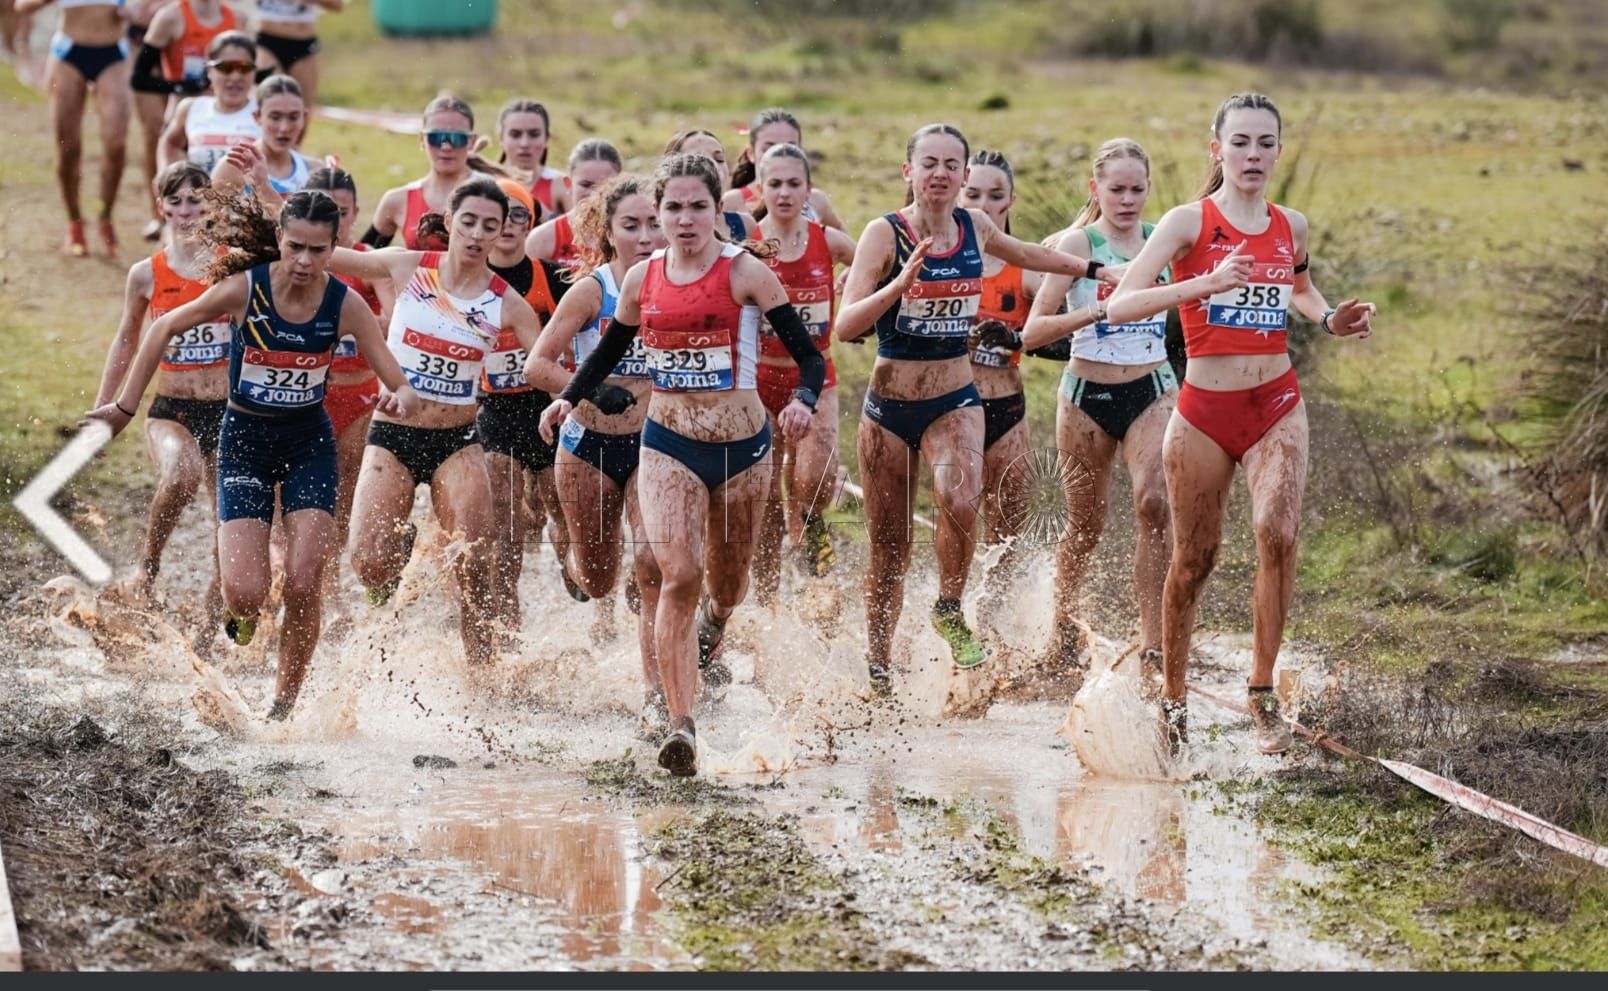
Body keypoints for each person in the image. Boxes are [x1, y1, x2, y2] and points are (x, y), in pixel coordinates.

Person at [1104, 92, 1376, 755]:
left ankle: (1261, 694)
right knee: (1194, 560)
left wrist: (1328, 317)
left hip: (1275, 403)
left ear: (1278, 151)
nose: (1253, 155)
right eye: (1241, 142)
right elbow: (1122, 304)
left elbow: (1299, 288)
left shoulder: (1292, 225)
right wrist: (1204, 284)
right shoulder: (1187, 222)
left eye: (1265, 143)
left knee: (1277, 532)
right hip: (1203, 411)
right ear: (1217, 149)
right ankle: (1173, 700)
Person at [539, 153, 825, 776]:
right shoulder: (643, 278)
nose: (685, 219)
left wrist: (804, 401)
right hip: (667, 443)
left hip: (742, 450)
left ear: (717, 210)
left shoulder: (746, 273)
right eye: (674, 207)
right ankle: (679, 725)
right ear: (660, 213)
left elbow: (810, 357)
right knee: (678, 573)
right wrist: (568, 397)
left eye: (698, 207)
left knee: (727, 586)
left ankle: (715, 623)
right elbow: (607, 350)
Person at [86, 189, 420, 719]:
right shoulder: (245, 288)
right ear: (279, 240)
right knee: (246, 593)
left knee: (306, 580)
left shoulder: (344, 304)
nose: (305, 261)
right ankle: (240, 615)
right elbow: (164, 326)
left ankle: (283, 704)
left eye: (318, 250)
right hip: (244, 444)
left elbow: (397, 379)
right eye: (295, 247)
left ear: (335, 247)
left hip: (309, 445)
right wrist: (124, 410)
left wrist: (399, 396)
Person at [834, 123, 1116, 693]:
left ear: (963, 175)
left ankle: (948, 606)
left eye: (950, 165)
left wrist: (1094, 270)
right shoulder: (884, 233)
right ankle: (879, 666)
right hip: (890, 406)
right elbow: (845, 326)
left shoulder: (975, 227)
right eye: (929, 163)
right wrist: (899, 285)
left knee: (960, 497)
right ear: (909, 172)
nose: (940, 173)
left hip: (955, 400)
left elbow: (1029, 253)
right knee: (889, 549)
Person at [330, 176, 540, 666]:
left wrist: (582, 393)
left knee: (476, 565)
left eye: (489, 226)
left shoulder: (507, 303)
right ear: (449, 221)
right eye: (468, 222)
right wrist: (266, 213)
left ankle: (482, 675)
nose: (476, 234)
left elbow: (544, 363)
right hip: (392, 435)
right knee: (369, 565)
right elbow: (323, 254)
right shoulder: (408, 267)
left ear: (500, 233)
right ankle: (403, 544)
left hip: (458, 440)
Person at [1023, 138, 1175, 688]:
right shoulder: (1077, 244)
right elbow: (1034, 332)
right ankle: (1061, 632)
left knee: (1155, 505)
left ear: (1149, 189)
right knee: (1085, 524)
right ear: (1096, 189)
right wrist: (1096, 311)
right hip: (1085, 395)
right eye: (1117, 190)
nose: (1127, 200)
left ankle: (1155, 645)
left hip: (1152, 389)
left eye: (1137, 189)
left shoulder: (1162, 241)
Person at [526, 173, 665, 706]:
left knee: (654, 567)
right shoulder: (592, 290)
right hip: (588, 446)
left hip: (656, 444)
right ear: (609, 233)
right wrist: (591, 390)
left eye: (653, 223)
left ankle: (657, 697)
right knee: (599, 580)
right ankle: (571, 561)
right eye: (631, 225)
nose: (645, 236)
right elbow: (537, 365)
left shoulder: (677, 284)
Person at [91, 161, 227, 621]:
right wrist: (104, 406)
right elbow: (126, 340)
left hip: (229, 410)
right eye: (176, 201)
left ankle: (212, 625)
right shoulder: (145, 274)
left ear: (211, 206)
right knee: (182, 473)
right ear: (161, 207)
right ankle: (148, 567)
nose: (187, 211)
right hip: (171, 409)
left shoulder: (232, 265)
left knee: (228, 525)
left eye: (196, 200)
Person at [747, 143, 856, 603]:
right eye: (775, 184)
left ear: (809, 189)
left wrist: (854, 286)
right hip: (759, 380)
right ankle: (768, 596)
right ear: (760, 187)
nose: (784, 193)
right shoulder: (748, 244)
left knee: (813, 479)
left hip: (816, 377)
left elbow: (875, 264)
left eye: (794, 184)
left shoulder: (828, 241)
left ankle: (809, 542)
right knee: (765, 495)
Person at [476, 177, 570, 636]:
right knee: (504, 520)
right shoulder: (468, 278)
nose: (510, 224)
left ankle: (570, 564)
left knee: (561, 510)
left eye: (519, 215)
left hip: (547, 406)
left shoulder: (552, 277)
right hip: (495, 410)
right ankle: (507, 618)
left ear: (530, 222)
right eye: (501, 215)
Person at [956, 149, 1043, 624]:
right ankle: (952, 608)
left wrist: (1019, 338)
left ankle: (993, 619)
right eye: (973, 195)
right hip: (952, 408)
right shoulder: (942, 259)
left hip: (1007, 405)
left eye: (995, 196)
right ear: (958, 196)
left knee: (1008, 525)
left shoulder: (1026, 266)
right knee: (959, 515)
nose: (984, 206)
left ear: (1011, 200)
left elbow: (1058, 334)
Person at [303, 165, 391, 556]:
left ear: (355, 213)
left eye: (340, 211)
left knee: (345, 486)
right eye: (322, 211)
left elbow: (397, 319)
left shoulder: (368, 261)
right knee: (299, 489)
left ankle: (331, 577)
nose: (332, 221)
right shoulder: (295, 261)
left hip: (359, 394)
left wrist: (355, 321)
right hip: (308, 394)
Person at [20, 0, 132, 256]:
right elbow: (21, 6)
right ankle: (74, 221)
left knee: (116, 143)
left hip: (113, 53)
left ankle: (105, 216)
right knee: (68, 147)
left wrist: (138, 10)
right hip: (68, 52)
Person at [129, 0, 236, 242]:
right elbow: (139, 78)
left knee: (218, 216)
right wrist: (183, 86)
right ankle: (160, 223)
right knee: (182, 211)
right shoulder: (170, 17)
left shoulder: (236, 19)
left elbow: (249, 70)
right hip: (183, 123)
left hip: (223, 124)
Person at [365, 94, 507, 250]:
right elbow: (363, 256)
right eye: (436, 138)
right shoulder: (397, 200)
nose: (446, 147)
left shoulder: (497, 192)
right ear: (422, 140)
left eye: (456, 138)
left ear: (471, 141)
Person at [724, 107, 844, 231]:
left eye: (789, 149)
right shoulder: (731, 203)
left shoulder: (815, 201)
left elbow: (843, 238)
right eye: (769, 149)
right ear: (751, 153)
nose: (780, 156)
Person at [157, 29, 258, 173]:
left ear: (254, 71)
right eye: (225, 67)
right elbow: (170, 143)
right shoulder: (191, 108)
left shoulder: (265, 112)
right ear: (209, 71)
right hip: (200, 189)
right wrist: (166, 175)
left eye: (244, 67)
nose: (235, 76)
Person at [208, 73, 314, 197]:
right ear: (257, 116)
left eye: (293, 117)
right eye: (275, 117)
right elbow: (208, 208)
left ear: (304, 117)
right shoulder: (232, 168)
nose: (284, 128)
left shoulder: (314, 171)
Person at [525, 138, 622, 268]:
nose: (595, 194)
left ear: (620, 185)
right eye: (586, 185)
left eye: (605, 185)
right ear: (568, 184)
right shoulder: (543, 239)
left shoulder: (634, 235)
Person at [251, 0, 343, 124]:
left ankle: (296, 137)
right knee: (270, 103)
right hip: (267, 42)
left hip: (303, 45)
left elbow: (337, 5)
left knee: (303, 111)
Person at [664, 128, 755, 242]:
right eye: (700, 160)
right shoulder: (664, 229)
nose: (714, 167)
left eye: (719, 159)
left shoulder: (745, 224)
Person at [494, 97, 568, 219]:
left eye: (534, 134)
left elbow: (581, 227)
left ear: (547, 138)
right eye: (515, 135)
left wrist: (545, 215)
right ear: (501, 138)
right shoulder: (485, 181)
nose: (525, 143)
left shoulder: (560, 184)